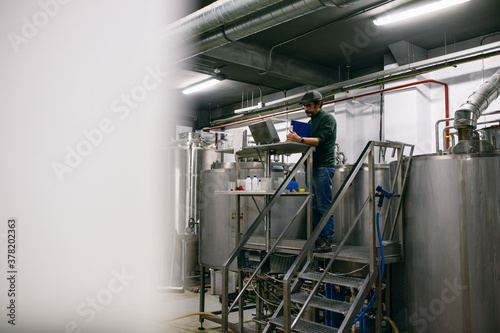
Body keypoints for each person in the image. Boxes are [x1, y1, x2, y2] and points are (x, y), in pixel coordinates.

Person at [286, 90, 337, 252]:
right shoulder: (310, 123)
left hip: (323, 166)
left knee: (323, 204)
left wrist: (299, 139)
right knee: (314, 205)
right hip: (311, 166)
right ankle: (318, 237)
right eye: (304, 106)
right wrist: (294, 140)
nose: (306, 109)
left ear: (319, 104)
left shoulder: (327, 119)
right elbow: (306, 143)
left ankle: (327, 239)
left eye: (309, 106)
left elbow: (319, 140)